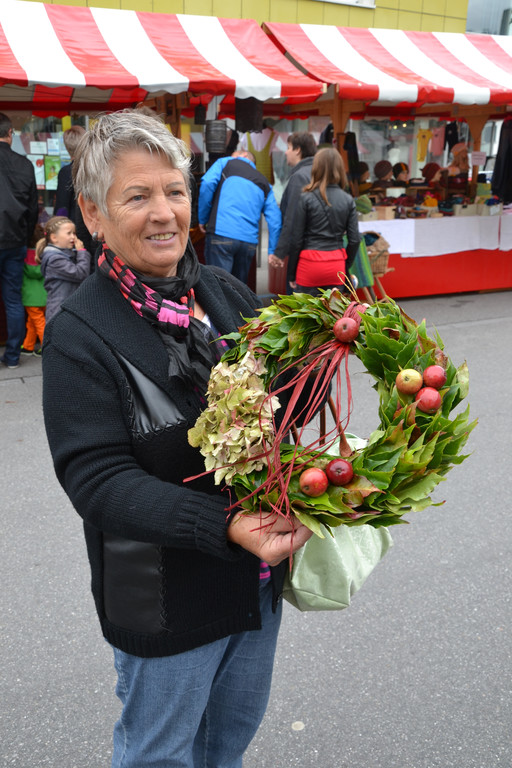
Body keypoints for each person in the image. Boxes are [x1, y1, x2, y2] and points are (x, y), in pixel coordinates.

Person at [41, 109, 313, 768]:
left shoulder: (224, 294)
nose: (164, 213)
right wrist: (226, 525)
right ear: (93, 213)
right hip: (163, 599)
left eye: (174, 191)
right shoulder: (80, 332)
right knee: (159, 756)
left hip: (253, 582)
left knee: (226, 744)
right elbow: (98, 482)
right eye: (137, 196)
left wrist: (325, 357)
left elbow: (283, 404)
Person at [198, 149, 281, 285]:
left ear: (243, 155)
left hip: (222, 234)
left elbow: (207, 183)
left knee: (218, 287)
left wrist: (203, 218)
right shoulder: (264, 182)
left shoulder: (226, 162)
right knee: (238, 289)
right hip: (248, 243)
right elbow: (275, 219)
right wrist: (272, 250)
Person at [287, 148, 360, 295]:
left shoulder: (306, 198)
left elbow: (296, 240)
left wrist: (291, 274)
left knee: (306, 309)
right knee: (333, 309)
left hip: (309, 265)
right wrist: (344, 265)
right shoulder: (348, 200)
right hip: (336, 266)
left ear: (316, 168)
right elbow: (355, 240)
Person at [0, 112, 38, 369]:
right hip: (15, 240)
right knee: (13, 299)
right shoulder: (24, 165)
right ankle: (13, 356)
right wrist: (25, 237)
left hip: (14, 239)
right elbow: (33, 209)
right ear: (10, 133)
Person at [271, 132, 317, 288]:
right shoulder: (321, 172)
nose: (286, 152)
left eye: (289, 147)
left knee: (299, 299)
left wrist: (280, 252)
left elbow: (292, 217)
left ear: (298, 150)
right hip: (327, 254)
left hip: (304, 252)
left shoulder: (300, 177)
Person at [38, 216, 91, 323]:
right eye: (69, 233)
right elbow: (81, 273)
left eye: (74, 233)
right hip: (59, 311)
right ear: (54, 238)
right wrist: (82, 252)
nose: (73, 237)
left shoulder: (65, 255)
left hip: (67, 309)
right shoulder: (55, 259)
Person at [20, 223, 46, 357]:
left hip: (30, 297)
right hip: (44, 295)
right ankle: (28, 346)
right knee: (32, 322)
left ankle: (46, 346)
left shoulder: (24, 255)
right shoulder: (44, 254)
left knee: (39, 322)